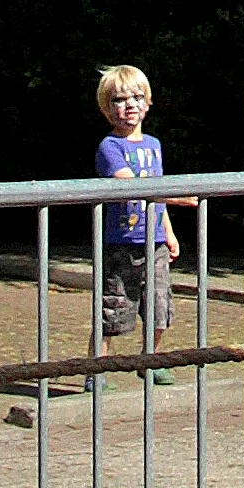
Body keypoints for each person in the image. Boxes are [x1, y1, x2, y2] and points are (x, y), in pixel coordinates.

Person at [95, 64, 177, 375]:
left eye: (136, 97)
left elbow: (157, 196)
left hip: (153, 239)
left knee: (159, 304)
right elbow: (136, 186)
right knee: (115, 306)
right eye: (119, 100)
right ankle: (96, 367)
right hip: (121, 242)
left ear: (148, 102)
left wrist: (168, 232)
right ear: (107, 107)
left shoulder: (154, 145)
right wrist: (180, 196)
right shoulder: (109, 147)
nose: (129, 105)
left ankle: (150, 360)